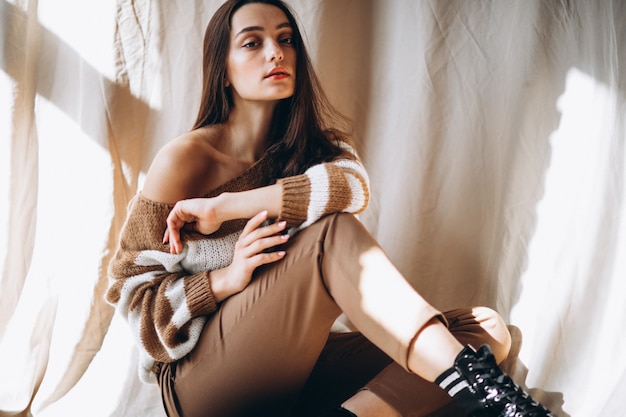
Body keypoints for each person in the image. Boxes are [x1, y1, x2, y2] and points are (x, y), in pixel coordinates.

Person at [106, 1, 555, 416]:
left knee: (485, 329)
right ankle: (499, 403)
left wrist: (227, 207)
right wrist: (224, 280)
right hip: (198, 384)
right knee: (331, 235)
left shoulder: (315, 149)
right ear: (222, 70)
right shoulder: (186, 159)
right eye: (252, 42)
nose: (276, 53)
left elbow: (352, 188)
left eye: (285, 40)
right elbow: (132, 298)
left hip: (296, 366)